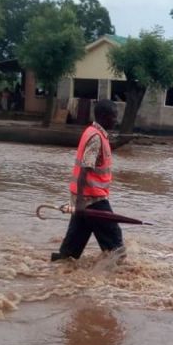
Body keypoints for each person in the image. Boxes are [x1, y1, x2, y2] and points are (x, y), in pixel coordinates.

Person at [51, 99, 124, 262]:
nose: (116, 120)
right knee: (116, 245)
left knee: (71, 250)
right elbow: (85, 169)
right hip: (92, 198)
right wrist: (81, 203)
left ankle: (59, 266)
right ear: (104, 117)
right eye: (114, 117)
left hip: (82, 197)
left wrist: (79, 202)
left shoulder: (91, 131)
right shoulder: (96, 138)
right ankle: (120, 276)